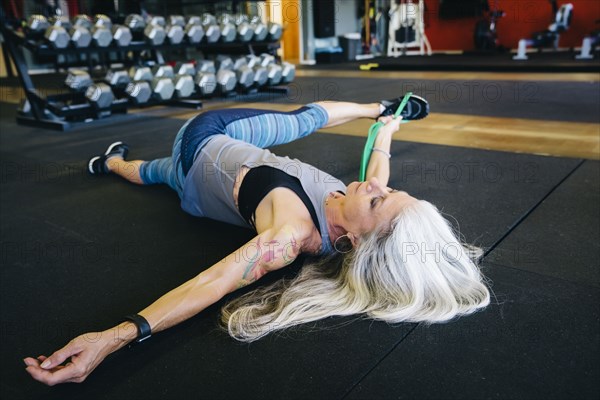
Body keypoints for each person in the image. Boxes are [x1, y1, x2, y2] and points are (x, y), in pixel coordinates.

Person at [24, 97, 490, 386]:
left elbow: (215, 281)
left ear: (354, 240)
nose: (376, 188)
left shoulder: (288, 234)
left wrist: (113, 338)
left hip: (205, 140)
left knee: (299, 119)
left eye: (377, 202)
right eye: (390, 193)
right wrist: (390, 126)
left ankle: (372, 103)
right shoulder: (356, 223)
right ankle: (111, 163)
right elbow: (376, 172)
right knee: (148, 174)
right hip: (198, 193)